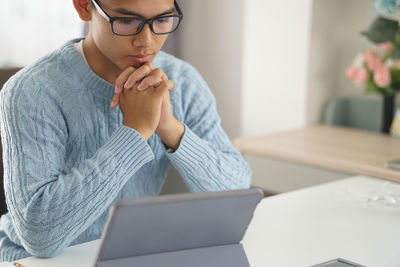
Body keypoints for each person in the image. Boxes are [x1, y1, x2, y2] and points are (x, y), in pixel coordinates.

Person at [0, 0, 251, 261]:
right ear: (84, 6)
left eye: (162, 21)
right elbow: (39, 237)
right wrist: (135, 132)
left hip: (123, 256)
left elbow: (238, 194)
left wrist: (170, 128)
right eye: (127, 21)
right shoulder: (32, 91)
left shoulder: (182, 81)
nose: (147, 42)